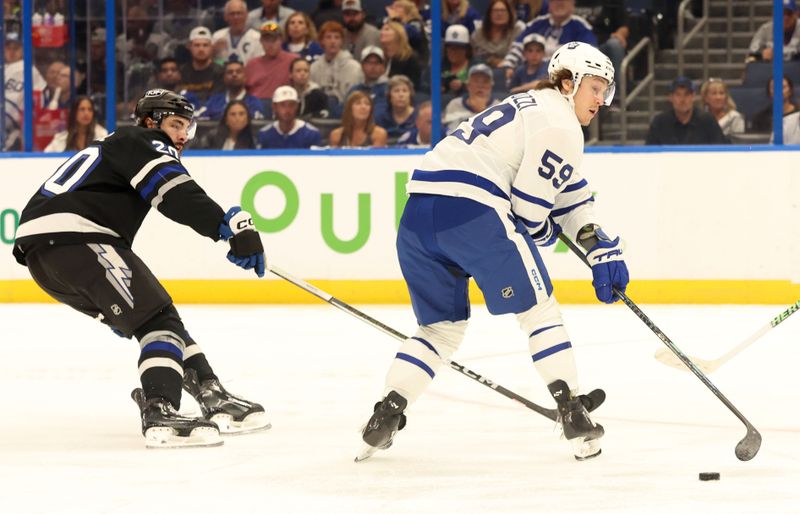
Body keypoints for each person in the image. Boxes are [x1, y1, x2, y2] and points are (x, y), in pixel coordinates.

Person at [357, 42, 627, 462]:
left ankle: (386, 413)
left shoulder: (532, 107)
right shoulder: (562, 125)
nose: (600, 100)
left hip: (417, 216)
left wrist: (597, 246)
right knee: (539, 310)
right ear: (569, 82)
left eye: (606, 92)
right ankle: (573, 411)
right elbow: (531, 214)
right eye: (595, 88)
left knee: (440, 329)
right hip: (473, 211)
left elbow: (570, 195)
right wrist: (550, 229)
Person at [12, 89, 268, 448]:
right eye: (176, 124)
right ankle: (159, 410)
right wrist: (225, 227)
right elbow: (175, 192)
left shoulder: (118, 145)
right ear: (152, 121)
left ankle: (210, 391)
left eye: (187, 128)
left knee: (159, 318)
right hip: (77, 238)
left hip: (46, 255)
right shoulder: (143, 139)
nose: (182, 135)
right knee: (157, 321)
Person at [501, 0, 596, 76]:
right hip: (528, 74)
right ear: (549, 4)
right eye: (554, 1)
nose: (559, 3)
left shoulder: (581, 26)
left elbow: (590, 56)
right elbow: (517, 47)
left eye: (564, 0)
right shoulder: (537, 23)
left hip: (563, 76)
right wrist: (508, 66)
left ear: (572, 4)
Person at [645, 76, 727, 145]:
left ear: (693, 96)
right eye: (678, 94)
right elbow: (649, 153)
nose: (682, 99)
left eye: (687, 94)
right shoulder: (660, 122)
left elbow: (721, 150)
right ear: (670, 97)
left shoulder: (707, 120)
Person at [310, 21, 364, 104]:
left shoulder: (354, 67)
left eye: (337, 37)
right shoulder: (314, 68)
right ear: (321, 41)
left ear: (342, 41)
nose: (333, 41)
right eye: (328, 37)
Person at [245, 22, 300, 100]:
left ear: (281, 40)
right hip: (257, 105)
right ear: (261, 41)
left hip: (284, 103)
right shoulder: (252, 64)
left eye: (274, 40)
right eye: (266, 40)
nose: (270, 45)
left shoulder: (294, 61)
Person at [258, 86, 323, 149]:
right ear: (274, 107)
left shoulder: (311, 133)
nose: (287, 109)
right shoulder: (265, 133)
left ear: (297, 106)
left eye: (291, 105)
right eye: (282, 105)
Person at [200, 60, 266, 121]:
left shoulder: (254, 103)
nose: (234, 74)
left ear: (245, 78)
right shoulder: (214, 101)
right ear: (224, 78)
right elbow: (202, 125)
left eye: (238, 72)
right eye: (230, 72)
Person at [443, 63, 500, 131]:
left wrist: (482, 111)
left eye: (485, 81)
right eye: (476, 81)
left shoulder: (499, 107)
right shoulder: (454, 104)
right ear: (468, 85)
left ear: (491, 86)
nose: (480, 86)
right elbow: (449, 133)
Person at [44, 96, 109, 152]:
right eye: (82, 109)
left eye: (90, 109)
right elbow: (46, 156)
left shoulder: (102, 135)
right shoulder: (62, 138)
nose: (86, 113)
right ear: (74, 112)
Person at [471, 0, 524, 68]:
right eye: (495, 11)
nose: (499, 14)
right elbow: (473, 55)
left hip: (508, 69)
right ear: (489, 14)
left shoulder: (517, 31)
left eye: (503, 11)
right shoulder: (478, 34)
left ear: (509, 13)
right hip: (482, 69)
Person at [179, 26, 225, 102]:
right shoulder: (181, 72)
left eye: (205, 45)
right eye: (197, 45)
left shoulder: (221, 72)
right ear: (189, 47)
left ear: (211, 47)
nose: (201, 49)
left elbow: (217, 100)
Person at [212, 0, 265, 65]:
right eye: (232, 13)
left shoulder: (257, 38)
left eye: (239, 13)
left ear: (246, 15)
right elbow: (214, 63)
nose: (236, 17)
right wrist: (214, 52)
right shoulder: (217, 36)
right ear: (225, 16)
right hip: (222, 74)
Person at [380, 21, 423, 90]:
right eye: (382, 29)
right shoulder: (380, 56)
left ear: (398, 33)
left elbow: (414, 85)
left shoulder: (410, 58)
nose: (382, 32)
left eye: (387, 29)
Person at [375, 75, 417, 139]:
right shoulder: (380, 117)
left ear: (410, 95)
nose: (401, 95)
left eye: (405, 91)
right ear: (389, 96)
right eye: (396, 91)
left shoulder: (418, 117)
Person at [442, 24, 474, 97]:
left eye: (458, 48)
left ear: (467, 49)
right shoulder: (439, 66)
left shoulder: (476, 65)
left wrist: (464, 86)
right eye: (450, 48)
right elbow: (425, 85)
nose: (454, 52)